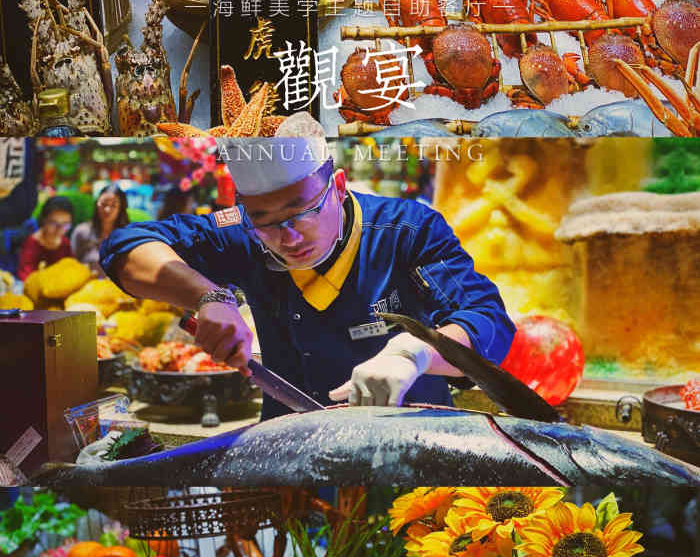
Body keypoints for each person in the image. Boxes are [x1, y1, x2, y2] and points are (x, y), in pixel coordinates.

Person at [100, 127, 515, 420]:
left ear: (336, 185)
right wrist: (209, 297)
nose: (289, 236)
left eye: (304, 212)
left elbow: (488, 319)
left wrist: (414, 353)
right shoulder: (242, 233)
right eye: (265, 219)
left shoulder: (407, 231)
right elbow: (123, 249)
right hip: (291, 445)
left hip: (411, 439)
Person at [70, 184, 130, 276]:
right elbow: (72, 264)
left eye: (114, 205)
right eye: (103, 204)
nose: (107, 210)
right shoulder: (81, 232)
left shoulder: (126, 236)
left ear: (121, 208)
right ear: (96, 204)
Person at [17, 195, 74, 280]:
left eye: (65, 224)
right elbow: (26, 276)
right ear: (44, 220)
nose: (59, 229)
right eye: (54, 223)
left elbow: (70, 269)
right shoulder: (32, 244)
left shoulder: (65, 243)